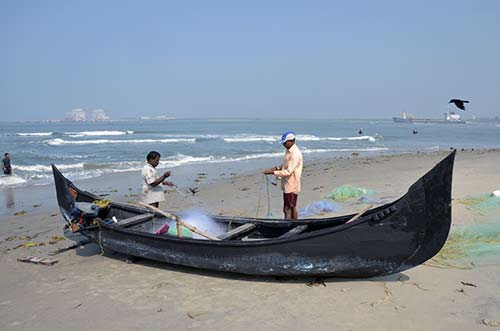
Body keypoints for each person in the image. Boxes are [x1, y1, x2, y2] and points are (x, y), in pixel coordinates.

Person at [262, 131, 303, 220]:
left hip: (291, 185)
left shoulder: (295, 154)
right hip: (288, 184)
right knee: (291, 207)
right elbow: (286, 165)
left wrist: (273, 173)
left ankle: (289, 226)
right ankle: (293, 224)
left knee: (287, 208)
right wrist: (277, 168)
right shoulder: (288, 151)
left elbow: (288, 171)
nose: (284, 144)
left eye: (285, 142)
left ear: (291, 141)